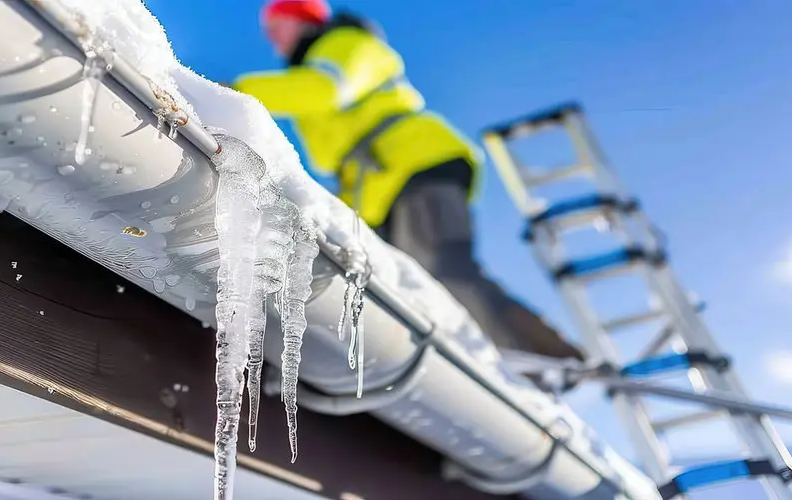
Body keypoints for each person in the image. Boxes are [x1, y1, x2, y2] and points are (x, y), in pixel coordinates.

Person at [232, 0, 584, 361]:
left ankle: (548, 357)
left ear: (304, 20)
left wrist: (233, 91)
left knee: (443, 272)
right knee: (407, 290)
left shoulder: (343, 44)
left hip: (412, 161)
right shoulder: (309, 65)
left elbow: (323, 89)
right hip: (378, 188)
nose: (273, 38)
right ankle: (482, 361)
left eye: (278, 26)